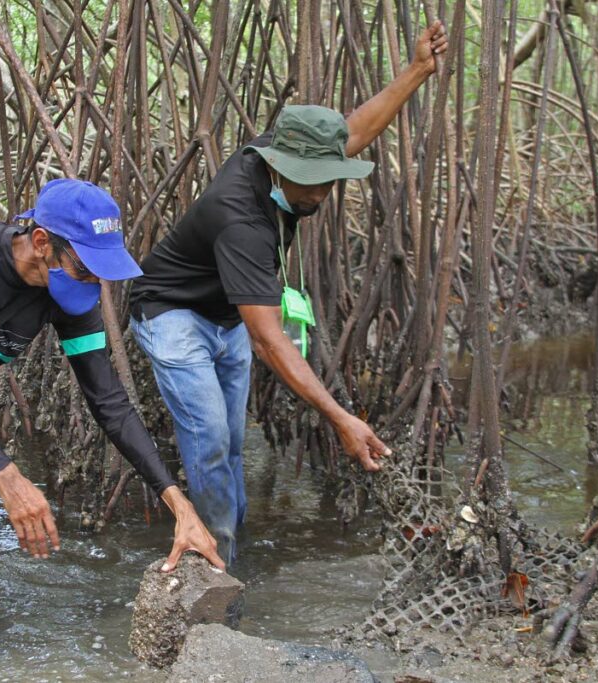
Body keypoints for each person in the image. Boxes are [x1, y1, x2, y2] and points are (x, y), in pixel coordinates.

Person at [129, 22, 449, 565]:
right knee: (208, 443)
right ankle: (217, 567)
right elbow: (271, 342)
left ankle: (231, 551)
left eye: (330, 178)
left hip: (226, 315)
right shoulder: (242, 220)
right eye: (314, 180)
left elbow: (352, 131)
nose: (324, 193)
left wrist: (417, 70)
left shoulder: (285, 154)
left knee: (231, 446)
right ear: (281, 166)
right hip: (171, 314)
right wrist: (341, 418)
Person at [0, 179, 222, 653]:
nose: (94, 283)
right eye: (86, 267)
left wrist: (178, 504)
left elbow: (110, 403)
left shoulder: (68, 294)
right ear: (42, 243)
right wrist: (8, 474)